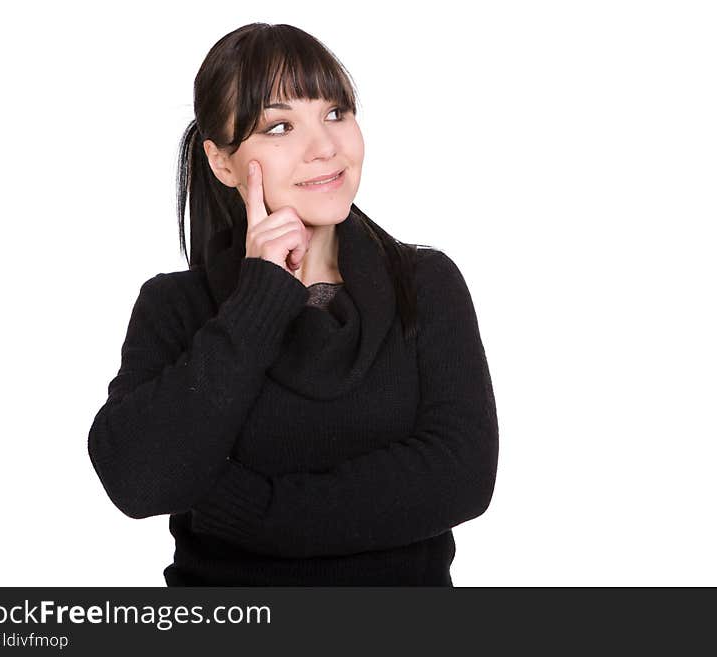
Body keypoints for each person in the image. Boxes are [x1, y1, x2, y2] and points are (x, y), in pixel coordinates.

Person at [87, 22, 498, 586]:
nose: (325, 146)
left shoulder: (425, 285)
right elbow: (140, 481)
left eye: (335, 113)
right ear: (222, 162)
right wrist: (260, 297)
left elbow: (462, 477)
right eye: (280, 126)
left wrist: (253, 508)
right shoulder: (176, 306)